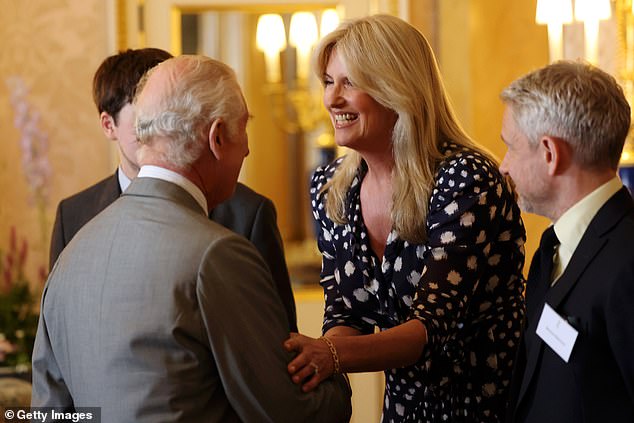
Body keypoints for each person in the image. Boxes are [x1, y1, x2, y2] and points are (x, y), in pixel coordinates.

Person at [31, 55, 352, 422]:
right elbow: (288, 412)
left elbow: (49, 410)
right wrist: (337, 375)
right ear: (217, 137)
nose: (247, 149)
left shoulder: (72, 255)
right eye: (244, 128)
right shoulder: (219, 255)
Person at [284, 14, 526, 422]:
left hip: (488, 408)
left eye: (351, 82)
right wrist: (311, 361)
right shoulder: (330, 188)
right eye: (328, 81)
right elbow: (345, 313)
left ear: (398, 89)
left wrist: (328, 354)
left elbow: (429, 330)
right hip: (403, 412)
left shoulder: (465, 179)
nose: (331, 99)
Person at [49, 48, 297, 331]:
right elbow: (59, 330)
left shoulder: (248, 212)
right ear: (109, 125)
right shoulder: (74, 217)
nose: (160, 120)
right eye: (144, 108)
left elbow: (279, 335)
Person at [500, 61, 634, 422]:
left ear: (550, 153)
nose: (503, 166)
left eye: (510, 147)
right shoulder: (549, 248)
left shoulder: (628, 261)